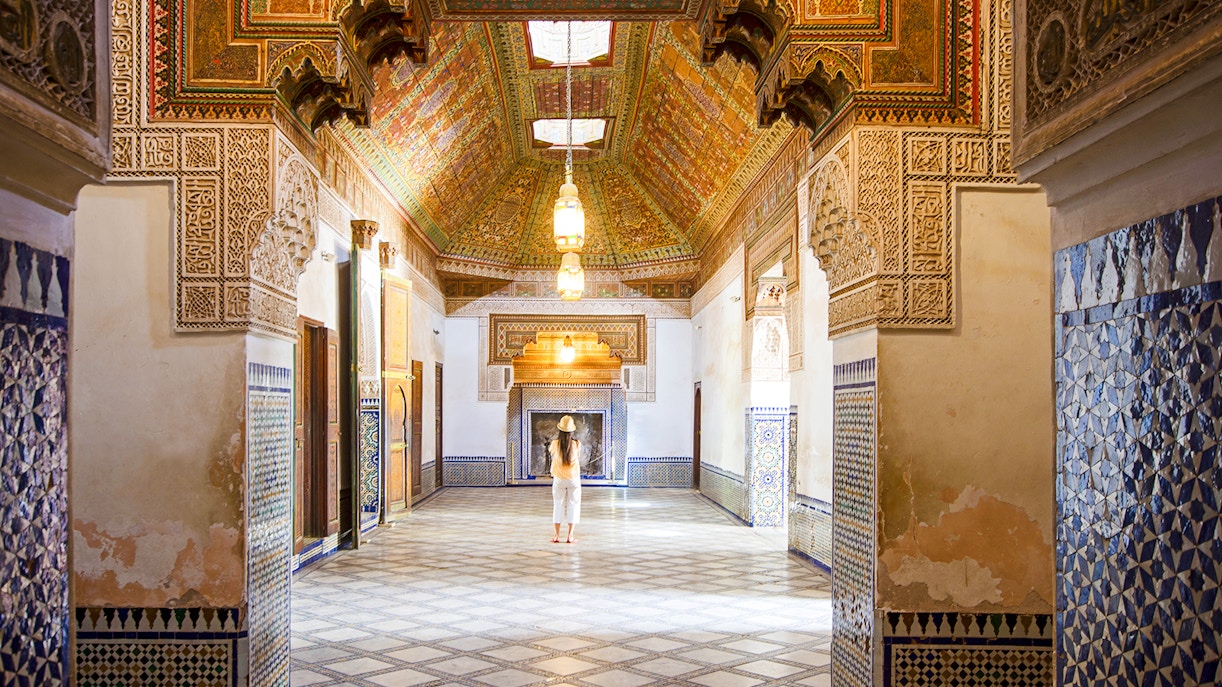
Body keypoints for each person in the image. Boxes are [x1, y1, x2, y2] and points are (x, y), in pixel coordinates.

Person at [549, 415, 582, 544]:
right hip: (573, 478)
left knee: (558, 504)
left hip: (559, 478)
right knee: (573, 505)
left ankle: (556, 536)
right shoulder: (577, 444)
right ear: (572, 430)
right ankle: (570, 536)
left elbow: (552, 453)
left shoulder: (554, 444)